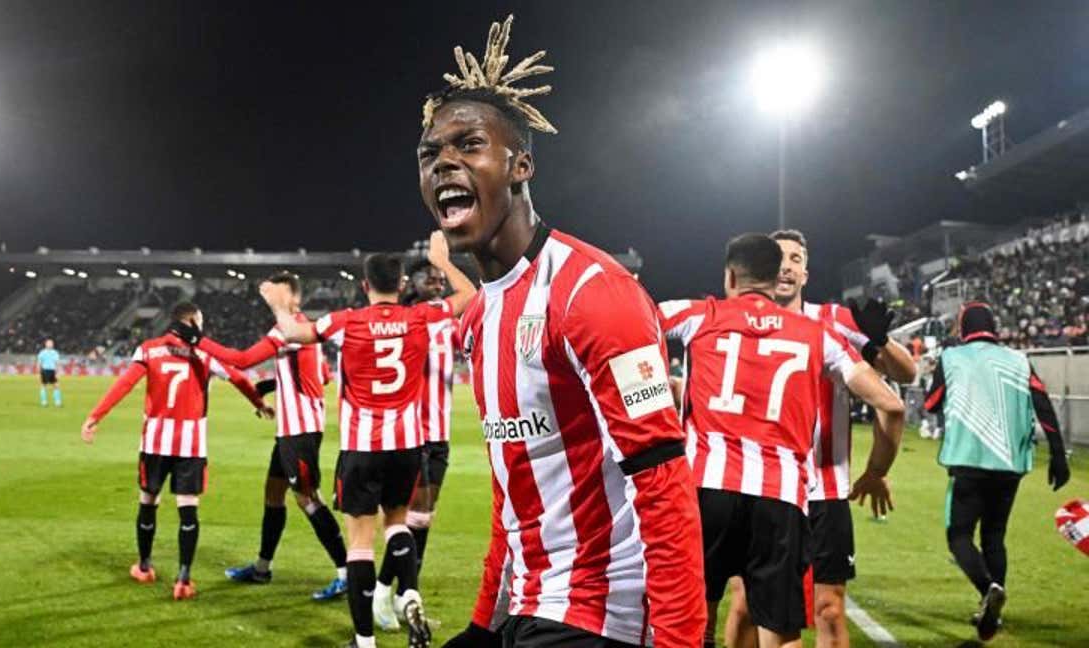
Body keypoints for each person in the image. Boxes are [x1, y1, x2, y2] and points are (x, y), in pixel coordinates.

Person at [422, 16, 705, 648]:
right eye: (430, 153)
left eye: (469, 145)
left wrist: (681, 641)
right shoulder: (480, 316)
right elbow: (515, 492)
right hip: (527, 605)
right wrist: (480, 622)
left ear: (520, 165)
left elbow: (663, 482)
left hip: (599, 615)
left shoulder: (591, 293)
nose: (444, 162)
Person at [660, 233, 906, 648]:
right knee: (779, 626)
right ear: (776, 281)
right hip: (782, 498)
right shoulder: (817, 334)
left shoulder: (698, 314)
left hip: (707, 488)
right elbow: (892, 404)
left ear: (730, 276)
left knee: (694, 614)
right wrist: (877, 471)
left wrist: (659, 390)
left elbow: (628, 327)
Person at [260, 233, 476, 648]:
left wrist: (274, 300)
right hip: (408, 445)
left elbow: (292, 330)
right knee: (399, 525)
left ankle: (364, 641)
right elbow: (467, 294)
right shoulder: (421, 318)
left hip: (363, 447)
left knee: (360, 543)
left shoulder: (345, 322)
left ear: (364, 285)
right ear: (400, 286)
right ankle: (409, 593)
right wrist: (442, 261)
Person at [169, 272, 348, 601]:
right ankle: (262, 568)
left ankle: (346, 572)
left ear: (293, 298)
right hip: (292, 430)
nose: (271, 300)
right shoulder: (300, 327)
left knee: (308, 498)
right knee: (273, 494)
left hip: (300, 431)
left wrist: (197, 339)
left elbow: (242, 360)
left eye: (277, 294)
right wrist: (274, 386)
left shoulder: (289, 327)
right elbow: (321, 376)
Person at [80, 302, 271, 601]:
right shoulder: (205, 354)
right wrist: (259, 404)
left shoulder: (149, 349)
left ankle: (144, 566)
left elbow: (125, 383)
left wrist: (95, 416)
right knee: (188, 508)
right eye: (201, 320)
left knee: (148, 501)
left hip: (155, 441)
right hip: (191, 444)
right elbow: (239, 378)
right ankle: (183, 579)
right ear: (192, 322)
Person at [923, 301, 1070, 641]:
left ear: (963, 329)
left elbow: (931, 404)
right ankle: (990, 613)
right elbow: (1042, 402)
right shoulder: (1018, 360)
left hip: (968, 460)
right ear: (994, 328)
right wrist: (1058, 454)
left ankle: (988, 588)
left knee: (959, 536)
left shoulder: (952, 358)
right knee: (994, 536)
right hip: (1009, 464)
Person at [373, 258, 456, 622]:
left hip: (440, 433)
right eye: (431, 277)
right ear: (412, 282)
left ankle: (406, 598)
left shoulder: (447, 321)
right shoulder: (407, 320)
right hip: (414, 433)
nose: (438, 282)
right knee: (409, 520)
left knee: (423, 519)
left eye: (441, 278)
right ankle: (383, 595)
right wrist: (445, 259)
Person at [37, 339, 62, 408]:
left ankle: (57, 402)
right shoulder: (42, 352)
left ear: (53, 345)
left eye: (51, 343)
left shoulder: (55, 352)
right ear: (46, 344)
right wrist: (39, 373)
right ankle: (44, 402)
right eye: (49, 343)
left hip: (52, 371)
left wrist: (58, 373)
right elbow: (39, 363)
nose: (50, 344)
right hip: (44, 370)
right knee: (43, 386)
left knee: (56, 386)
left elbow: (57, 363)